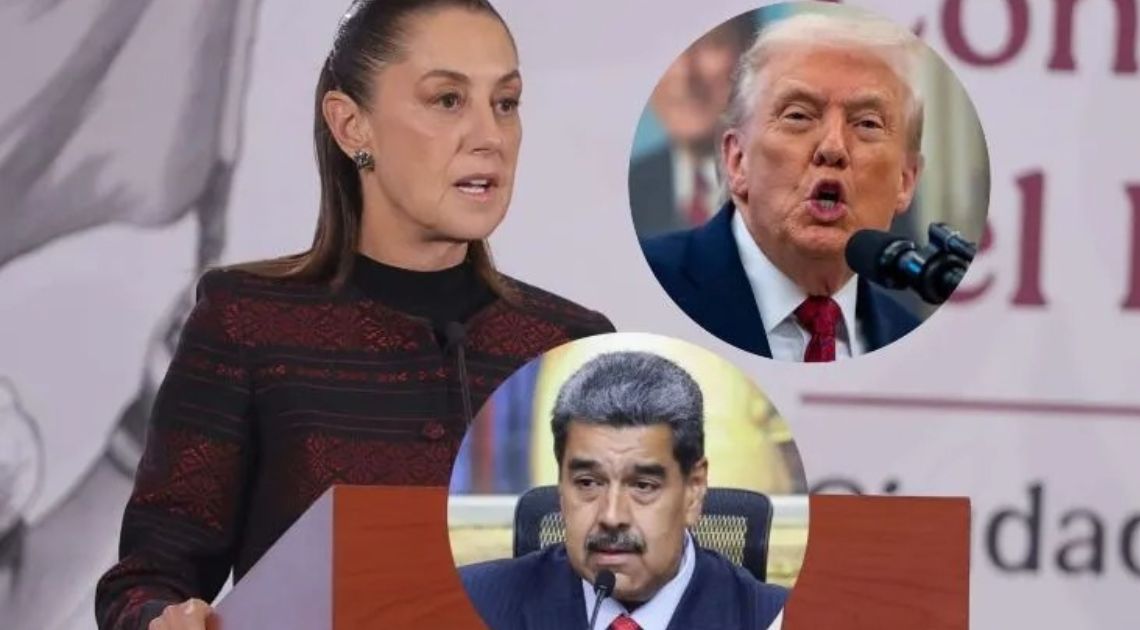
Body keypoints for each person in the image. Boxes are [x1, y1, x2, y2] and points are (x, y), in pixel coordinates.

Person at [94, 1, 614, 628]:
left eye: (505, 103)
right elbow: (146, 580)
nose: (490, 135)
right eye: (448, 100)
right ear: (350, 125)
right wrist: (162, 618)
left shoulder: (573, 345)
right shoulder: (247, 324)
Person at [640, 11, 924, 362]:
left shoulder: (915, 344)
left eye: (867, 123)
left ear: (905, 181)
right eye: (798, 116)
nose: (833, 147)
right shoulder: (643, 288)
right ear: (737, 160)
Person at [460, 351, 788, 630]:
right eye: (588, 483)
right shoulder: (474, 601)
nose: (612, 516)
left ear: (694, 489)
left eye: (643, 486)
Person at [629, 14, 754, 237]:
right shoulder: (622, 193)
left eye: (710, 43)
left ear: (751, 51)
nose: (684, 74)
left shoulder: (797, 187)